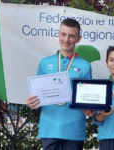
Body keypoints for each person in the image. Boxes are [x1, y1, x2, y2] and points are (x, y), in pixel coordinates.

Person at [26, 18, 95, 150]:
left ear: (78, 39)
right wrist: (33, 103)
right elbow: (37, 94)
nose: (66, 39)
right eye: (63, 34)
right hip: (49, 127)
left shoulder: (85, 66)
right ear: (58, 35)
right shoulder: (45, 62)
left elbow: (87, 98)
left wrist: (90, 109)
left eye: (71, 36)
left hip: (74, 129)